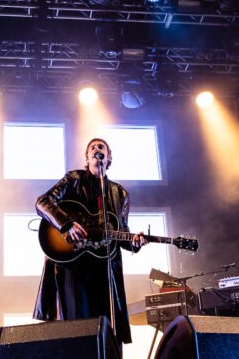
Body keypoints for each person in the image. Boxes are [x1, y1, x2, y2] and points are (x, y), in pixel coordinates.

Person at [33, 138, 147, 345]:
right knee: (77, 329)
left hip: (105, 269)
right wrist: (66, 224)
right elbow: (43, 202)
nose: (97, 149)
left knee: (106, 330)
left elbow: (122, 233)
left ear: (109, 157)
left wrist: (134, 243)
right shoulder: (73, 179)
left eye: (101, 147)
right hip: (73, 265)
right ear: (87, 158)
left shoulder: (120, 193)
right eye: (92, 148)